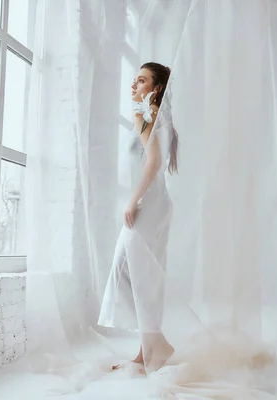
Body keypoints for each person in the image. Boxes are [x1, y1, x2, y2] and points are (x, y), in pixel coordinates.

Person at [97, 62, 178, 372]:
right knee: (138, 274)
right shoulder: (157, 117)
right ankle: (149, 351)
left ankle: (153, 349)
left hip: (149, 204)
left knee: (132, 273)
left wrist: (132, 201)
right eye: (134, 80)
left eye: (141, 80)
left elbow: (154, 162)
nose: (134, 86)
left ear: (156, 88)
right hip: (158, 203)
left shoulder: (144, 114)